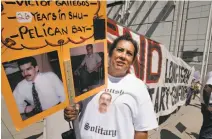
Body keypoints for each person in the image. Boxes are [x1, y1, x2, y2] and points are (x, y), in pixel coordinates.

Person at [64, 34, 158, 139]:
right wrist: (73, 110)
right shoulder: (94, 78)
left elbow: (141, 131)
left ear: (133, 60)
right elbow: (81, 104)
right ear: (110, 53)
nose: (123, 56)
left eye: (129, 53)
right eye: (120, 50)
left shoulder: (138, 87)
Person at [199, 71, 212, 139]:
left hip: (207, 104)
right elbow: (207, 89)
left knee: (206, 128)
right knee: (208, 131)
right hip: (209, 105)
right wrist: (208, 106)